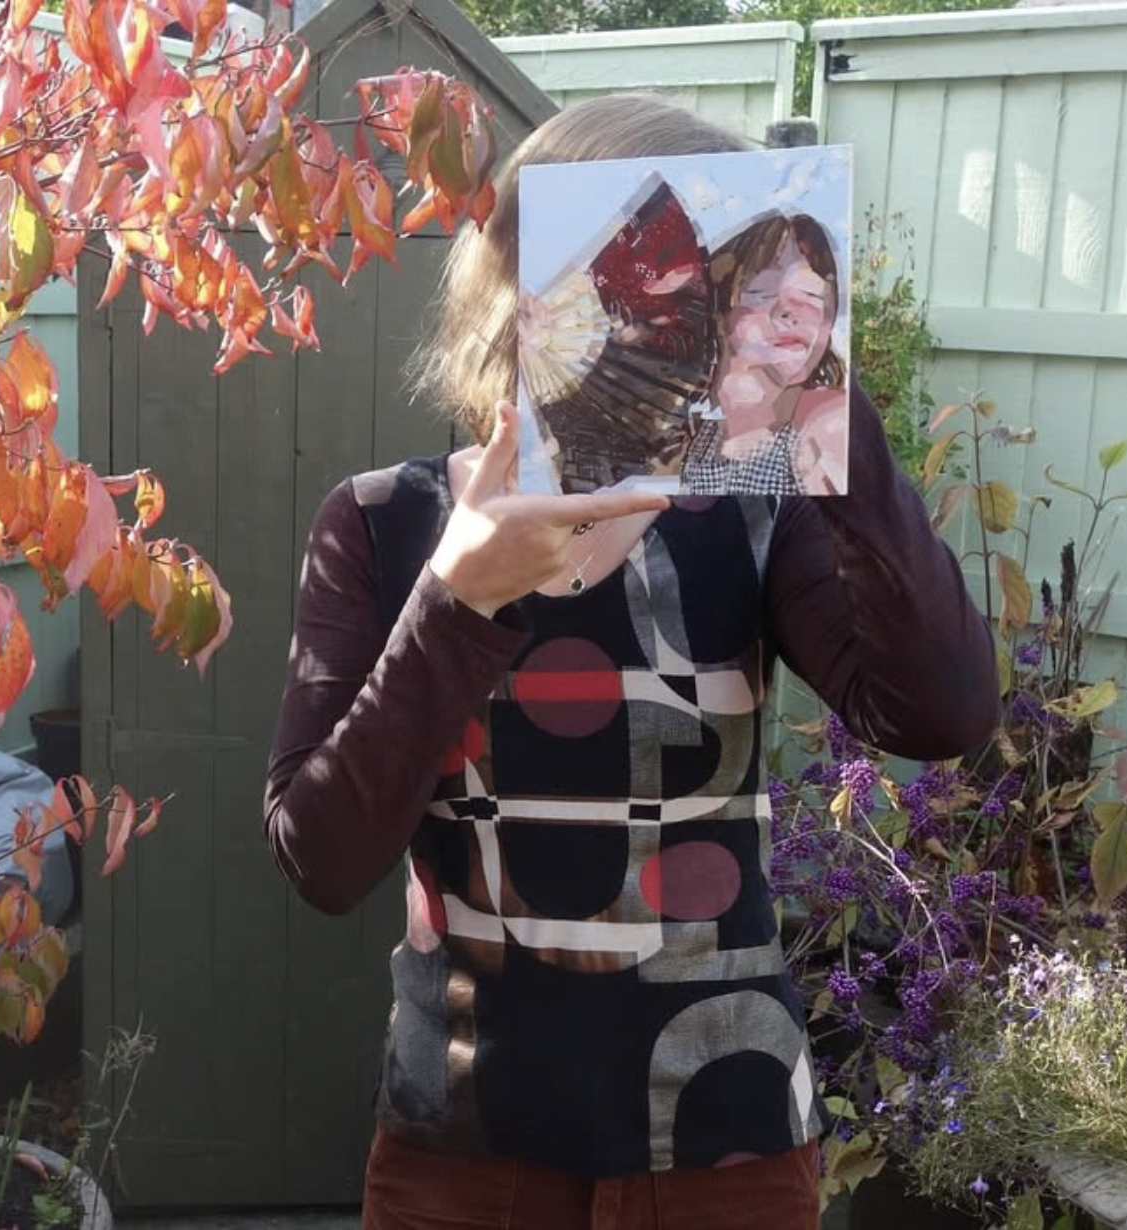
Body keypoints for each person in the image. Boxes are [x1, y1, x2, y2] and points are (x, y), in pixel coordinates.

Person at [263, 93, 998, 1230]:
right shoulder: (381, 524)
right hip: (467, 1144)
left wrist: (838, 439)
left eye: (721, 289)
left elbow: (939, 715)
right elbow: (321, 857)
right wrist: (459, 596)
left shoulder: (750, 518)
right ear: (535, 287)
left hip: (724, 1140)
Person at [683, 213, 849, 497]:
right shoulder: (698, 437)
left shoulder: (825, 428)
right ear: (719, 313)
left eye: (813, 298)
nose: (791, 310)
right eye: (763, 291)